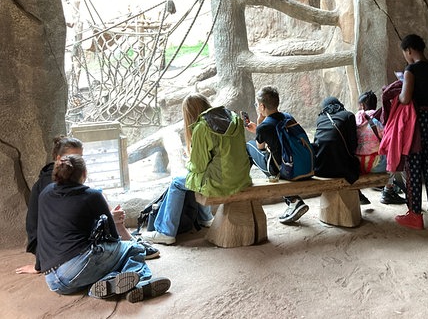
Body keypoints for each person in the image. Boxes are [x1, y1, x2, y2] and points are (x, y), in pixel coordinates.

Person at [36, 154, 171, 302]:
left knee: (105, 259)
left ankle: (107, 283)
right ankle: (139, 282)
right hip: (77, 266)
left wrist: (38, 266)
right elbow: (113, 239)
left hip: (54, 281)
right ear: (84, 174)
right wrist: (113, 223)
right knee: (133, 248)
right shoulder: (92, 195)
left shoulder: (45, 194)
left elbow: (42, 231)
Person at [16, 136, 158, 275]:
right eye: (73, 157)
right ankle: (132, 252)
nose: (78, 161)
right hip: (58, 249)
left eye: (81, 157)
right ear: (59, 159)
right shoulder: (50, 186)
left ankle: (123, 249)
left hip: (57, 263)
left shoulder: (58, 184)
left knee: (100, 197)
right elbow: (53, 226)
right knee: (126, 248)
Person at [142, 93, 252, 244]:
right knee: (201, 175)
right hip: (241, 177)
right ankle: (206, 218)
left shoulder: (203, 127)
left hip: (222, 182)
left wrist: (190, 160)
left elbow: (198, 166)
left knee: (177, 182)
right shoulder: (234, 118)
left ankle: (166, 232)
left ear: (189, 113)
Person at [392, 34, 428, 235]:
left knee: (413, 168)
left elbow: (406, 99)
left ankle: (415, 215)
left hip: (416, 123)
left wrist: (397, 93)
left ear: (408, 51)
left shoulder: (411, 70)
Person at [246, 86, 310, 224]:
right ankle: (293, 200)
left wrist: (258, 125)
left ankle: (293, 200)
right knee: (275, 159)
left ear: (262, 106)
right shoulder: (288, 117)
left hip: (286, 170)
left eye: (257, 104)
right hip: (302, 166)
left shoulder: (264, 126)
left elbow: (260, 148)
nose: (257, 107)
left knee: (249, 146)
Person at [355, 90, 406, 205]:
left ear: (362, 106)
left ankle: (359, 193)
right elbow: (388, 142)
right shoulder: (379, 120)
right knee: (395, 157)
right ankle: (389, 190)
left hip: (358, 165)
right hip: (377, 166)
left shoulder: (354, 120)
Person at [312, 95, 361, 195]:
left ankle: (358, 193)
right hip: (342, 169)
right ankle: (357, 193)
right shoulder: (348, 115)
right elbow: (353, 145)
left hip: (320, 169)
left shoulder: (320, 118)